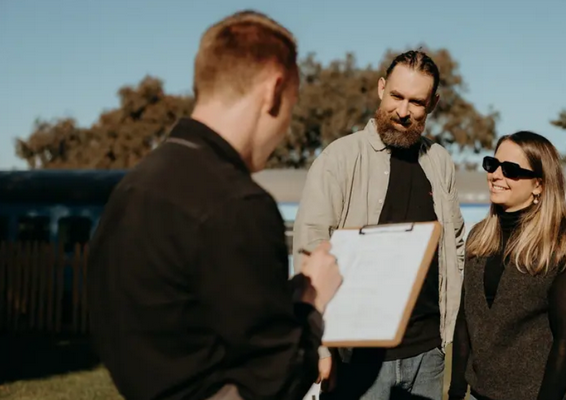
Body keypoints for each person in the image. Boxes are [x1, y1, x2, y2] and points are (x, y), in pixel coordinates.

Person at [86, 10, 343, 400]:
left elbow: (195, 319)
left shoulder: (134, 186)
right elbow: (278, 380)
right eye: (292, 106)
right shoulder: (237, 202)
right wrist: (313, 301)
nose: (285, 127)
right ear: (273, 91)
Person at [292, 50, 466, 400]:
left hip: (428, 354)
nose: (403, 112)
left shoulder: (441, 163)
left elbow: (456, 246)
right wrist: (321, 348)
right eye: (396, 97)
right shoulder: (339, 158)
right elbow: (310, 248)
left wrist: (449, 340)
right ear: (381, 88)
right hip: (359, 358)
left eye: (416, 102)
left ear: (433, 103)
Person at [448, 131, 566, 400]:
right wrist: (456, 390)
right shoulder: (478, 237)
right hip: (481, 393)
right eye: (492, 164)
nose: (496, 175)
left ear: (539, 184)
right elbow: (465, 320)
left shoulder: (562, 247)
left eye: (511, 170)